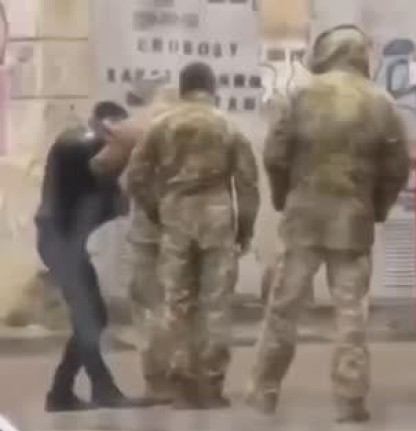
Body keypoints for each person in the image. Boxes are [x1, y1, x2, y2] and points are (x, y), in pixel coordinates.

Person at [246, 25, 412, 423]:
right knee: (351, 315)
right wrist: (377, 207)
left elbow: (275, 154)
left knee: (283, 309)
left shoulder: (300, 96)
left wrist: (283, 196)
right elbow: (397, 167)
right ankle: (350, 399)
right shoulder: (381, 102)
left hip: (302, 217)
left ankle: (264, 390)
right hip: (352, 221)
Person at [125, 62, 260, 409]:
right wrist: (244, 229)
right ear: (212, 87)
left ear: (182, 88)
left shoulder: (162, 126)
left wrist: (156, 209)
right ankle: (211, 384)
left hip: (175, 217)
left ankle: (181, 381)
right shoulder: (228, 126)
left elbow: (135, 176)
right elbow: (247, 184)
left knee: (176, 301)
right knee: (216, 303)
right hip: (217, 217)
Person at [35, 101, 141, 412]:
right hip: (59, 240)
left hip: (67, 241)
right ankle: (97, 389)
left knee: (93, 315)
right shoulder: (77, 143)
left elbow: (112, 201)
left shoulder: (92, 153)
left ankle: (62, 392)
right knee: (90, 316)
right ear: (107, 125)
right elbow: (91, 167)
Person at [90, 85, 181, 403]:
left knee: (148, 302)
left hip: (149, 229)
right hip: (192, 228)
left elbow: (104, 167)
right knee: (187, 303)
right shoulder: (210, 126)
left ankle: (158, 382)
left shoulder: (140, 127)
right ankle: (195, 380)